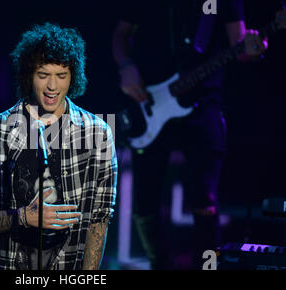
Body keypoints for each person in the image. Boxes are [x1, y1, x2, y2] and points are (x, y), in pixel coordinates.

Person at [112, 0, 268, 269]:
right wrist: (126, 66)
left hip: (202, 103)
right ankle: (158, 265)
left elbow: (239, 44)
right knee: (144, 204)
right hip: (148, 99)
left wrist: (252, 48)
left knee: (205, 200)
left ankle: (206, 267)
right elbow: (120, 35)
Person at [0, 22, 117, 270]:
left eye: (61, 76)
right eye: (43, 75)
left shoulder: (99, 133)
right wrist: (22, 217)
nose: (52, 86)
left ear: (74, 76)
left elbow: (99, 219)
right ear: (28, 75)